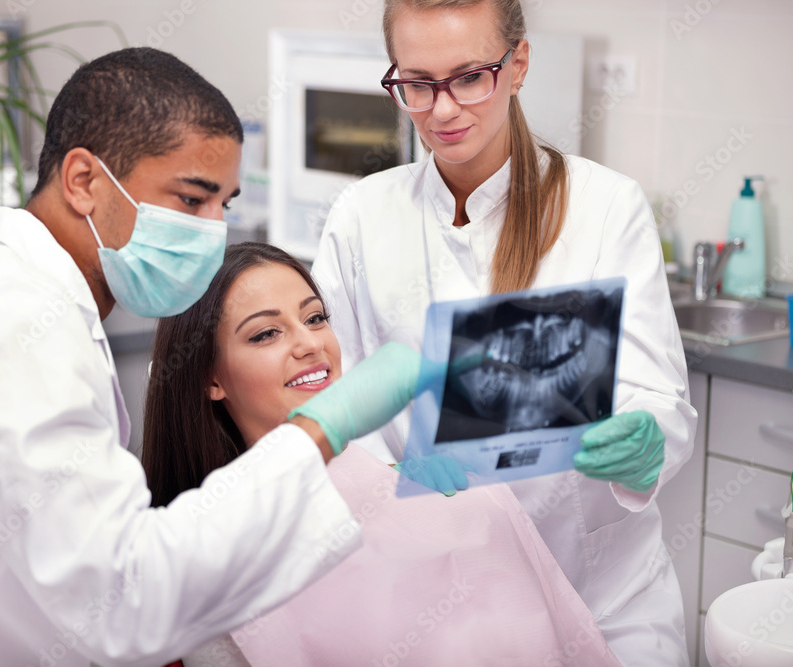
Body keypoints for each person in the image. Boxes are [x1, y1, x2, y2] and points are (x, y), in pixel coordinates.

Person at [0, 48, 420, 666]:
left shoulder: (10, 301)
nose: (212, 231)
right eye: (191, 200)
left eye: (222, 205)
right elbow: (120, 602)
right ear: (85, 181)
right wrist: (322, 427)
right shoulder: (7, 319)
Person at [310, 1, 698, 665]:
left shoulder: (604, 206)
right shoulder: (361, 216)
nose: (442, 110)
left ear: (517, 65)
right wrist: (386, 475)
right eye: (417, 82)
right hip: (439, 596)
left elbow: (654, 393)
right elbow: (335, 396)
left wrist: (642, 439)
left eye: (468, 77)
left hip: (604, 597)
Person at [142, 242, 622, 666]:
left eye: (315, 318)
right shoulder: (208, 553)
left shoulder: (411, 483)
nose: (311, 344)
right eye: (266, 334)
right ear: (211, 378)